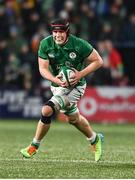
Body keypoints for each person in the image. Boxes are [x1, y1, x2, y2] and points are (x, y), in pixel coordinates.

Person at [20, 18, 104, 162]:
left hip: (76, 87)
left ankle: (34, 145)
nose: (58, 35)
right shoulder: (46, 44)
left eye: (61, 32)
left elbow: (99, 61)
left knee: (46, 110)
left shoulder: (79, 44)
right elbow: (43, 68)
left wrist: (80, 74)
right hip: (58, 85)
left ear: (67, 32)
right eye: (55, 32)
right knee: (73, 119)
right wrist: (55, 80)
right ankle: (95, 139)